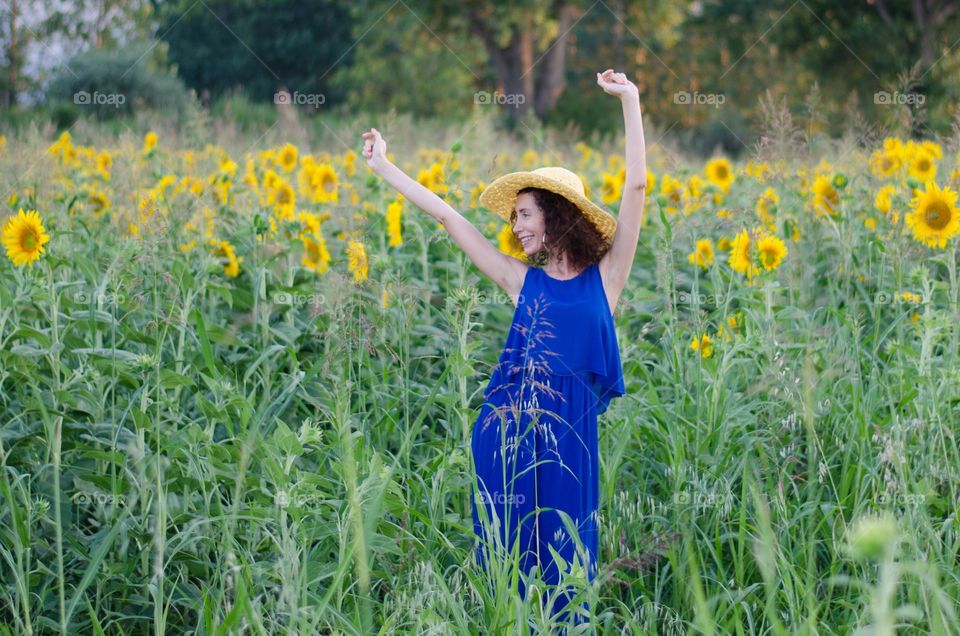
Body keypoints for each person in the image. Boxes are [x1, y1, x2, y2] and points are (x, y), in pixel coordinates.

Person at [362, 68, 647, 632]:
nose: (514, 227)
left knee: (570, 558)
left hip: (573, 441)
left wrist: (631, 102)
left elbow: (636, 189)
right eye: (515, 216)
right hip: (512, 434)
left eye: (522, 213)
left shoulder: (608, 279)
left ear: (556, 213)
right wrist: (383, 166)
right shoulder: (521, 281)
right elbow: (448, 217)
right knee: (513, 564)